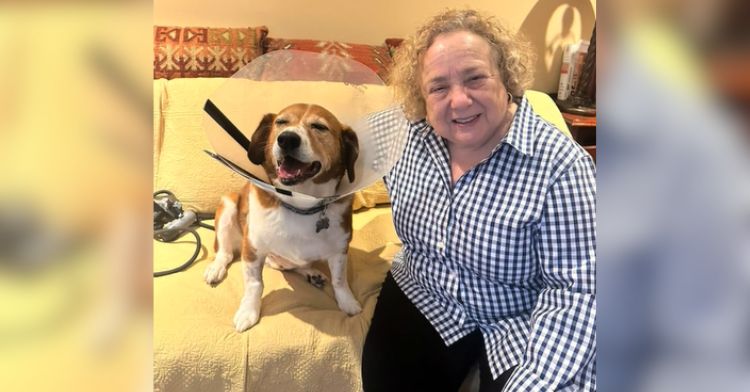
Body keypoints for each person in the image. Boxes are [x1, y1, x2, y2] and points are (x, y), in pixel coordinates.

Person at [361, 8, 596, 392]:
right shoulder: (402, 130)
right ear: (421, 95)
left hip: (516, 314)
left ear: (505, 76)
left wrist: (532, 383)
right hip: (424, 290)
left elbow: (578, 291)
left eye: (475, 78)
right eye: (438, 87)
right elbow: (331, 149)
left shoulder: (561, 166)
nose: (459, 101)